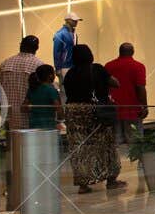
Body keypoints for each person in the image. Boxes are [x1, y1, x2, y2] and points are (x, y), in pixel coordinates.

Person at [62, 44, 123, 193]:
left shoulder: (69, 73)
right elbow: (116, 83)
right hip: (95, 111)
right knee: (105, 144)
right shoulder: (97, 69)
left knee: (80, 147)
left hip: (74, 112)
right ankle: (111, 179)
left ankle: (83, 184)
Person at [0, 35, 41, 132]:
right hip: (29, 119)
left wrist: (2, 108)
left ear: (20, 45)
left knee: (11, 145)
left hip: (8, 118)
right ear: (37, 48)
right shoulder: (38, 65)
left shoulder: (6, 63)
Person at [104, 42, 148, 132]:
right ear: (133, 52)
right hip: (133, 111)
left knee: (116, 142)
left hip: (114, 111)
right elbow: (140, 88)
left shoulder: (108, 66)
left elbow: (105, 87)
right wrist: (144, 106)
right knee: (135, 143)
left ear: (119, 52)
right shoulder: (138, 67)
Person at [24, 64, 62, 130]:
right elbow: (59, 110)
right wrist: (60, 121)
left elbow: (23, 108)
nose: (54, 75)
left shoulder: (31, 89)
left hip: (33, 126)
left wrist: (35, 108)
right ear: (50, 75)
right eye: (54, 73)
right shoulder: (51, 90)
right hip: (48, 127)